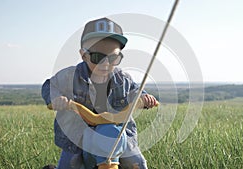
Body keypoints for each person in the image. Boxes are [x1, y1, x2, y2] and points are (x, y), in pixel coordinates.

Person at [41, 17, 158, 169]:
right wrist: (56, 98)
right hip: (79, 136)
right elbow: (50, 85)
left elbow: (135, 90)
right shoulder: (70, 76)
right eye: (97, 57)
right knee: (70, 164)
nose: (106, 64)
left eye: (113, 58)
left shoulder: (122, 79)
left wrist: (144, 98)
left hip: (115, 133)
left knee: (137, 163)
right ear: (84, 55)